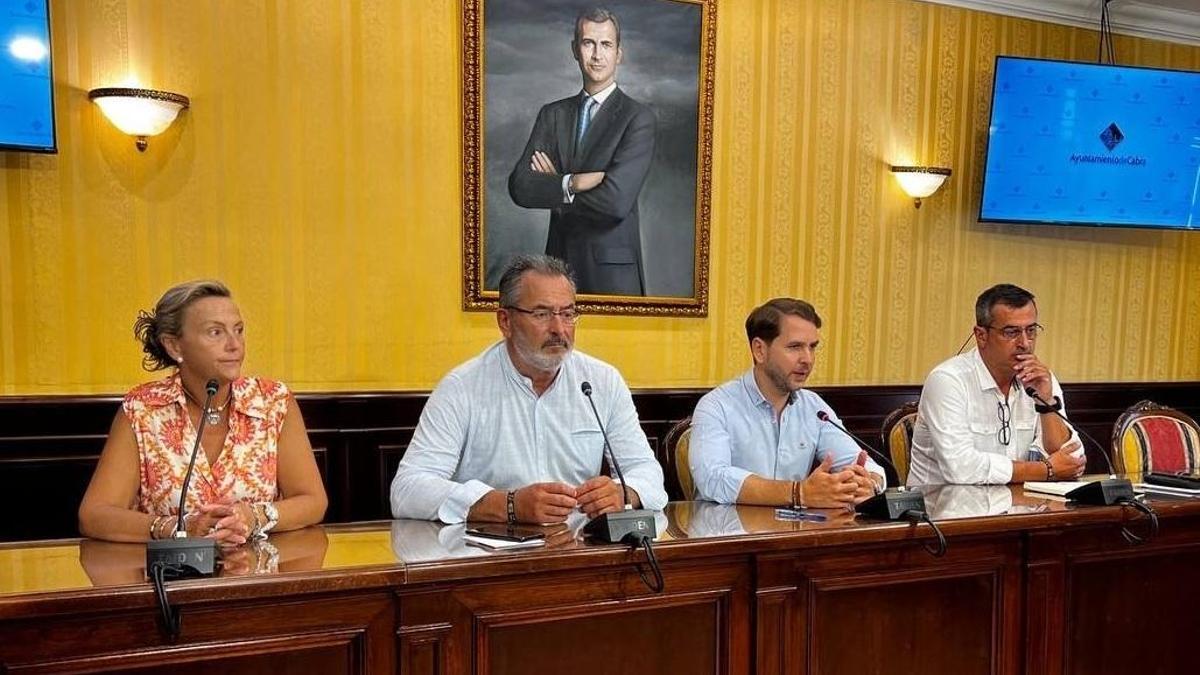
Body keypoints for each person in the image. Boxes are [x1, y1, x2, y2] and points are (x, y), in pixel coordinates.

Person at [390, 254, 667, 524]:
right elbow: (407, 490)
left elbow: (648, 473)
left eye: (568, 314)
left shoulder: (601, 382)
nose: (559, 328)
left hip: (578, 550)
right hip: (490, 556)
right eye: (542, 314)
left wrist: (623, 492)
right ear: (505, 322)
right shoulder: (462, 388)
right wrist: (508, 505)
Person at [78, 280, 327, 544]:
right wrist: (177, 528)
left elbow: (313, 501)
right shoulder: (143, 410)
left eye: (239, 330)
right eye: (215, 333)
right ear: (174, 346)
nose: (235, 345)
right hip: (174, 579)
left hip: (259, 575)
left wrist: (254, 517)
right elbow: (95, 515)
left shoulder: (273, 402)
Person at [507, 6, 656, 296]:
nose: (597, 55)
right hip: (555, 272)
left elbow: (614, 202)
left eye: (606, 45)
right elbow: (520, 186)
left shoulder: (637, 118)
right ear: (575, 50)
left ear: (619, 54)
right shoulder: (552, 115)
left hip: (612, 278)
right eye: (589, 43)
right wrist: (572, 183)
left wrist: (554, 187)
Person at [689, 298, 887, 508]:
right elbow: (712, 478)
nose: (808, 359)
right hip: (732, 535)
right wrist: (797, 492)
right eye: (795, 347)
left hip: (795, 535)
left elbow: (867, 466)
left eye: (812, 347)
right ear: (759, 350)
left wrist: (869, 484)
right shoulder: (716, 406)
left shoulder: (814, 408)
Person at [906, 284, 1085, 486]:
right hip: (943, 511)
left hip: (1017, 507)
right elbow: (961, 468)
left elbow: (1072, 458)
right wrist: (1046, 469)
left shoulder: (1040, 378)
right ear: (981, 335)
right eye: (1011, 332)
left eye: (1031, 330)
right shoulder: (948, 381)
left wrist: (1046, 403)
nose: (1025, 343)